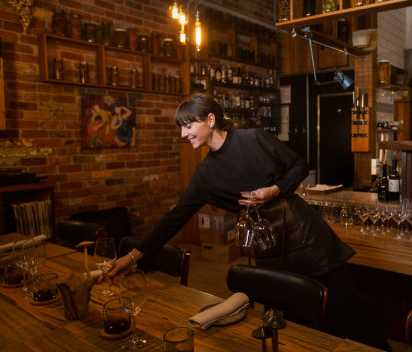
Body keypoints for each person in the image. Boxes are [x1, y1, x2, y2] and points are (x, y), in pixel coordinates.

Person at [103, 93, 391, 351]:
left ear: (211, 120)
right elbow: (173, 218)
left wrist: (275, 190)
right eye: (181, 127)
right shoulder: (205, 175)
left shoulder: (254, 139)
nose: (183, 133)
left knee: (350, 309)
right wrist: (132, 257)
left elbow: (299, 165)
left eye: (188, 125)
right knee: (291, 323)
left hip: (306, 241)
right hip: (267, 250)